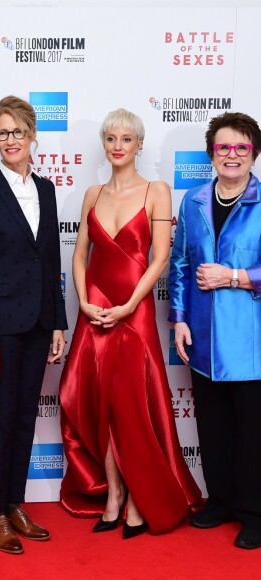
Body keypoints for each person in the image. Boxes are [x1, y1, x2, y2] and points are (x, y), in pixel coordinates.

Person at [59, 108, 202, 539]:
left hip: (133, 313)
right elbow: (80, 256)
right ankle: (114, 495)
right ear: (104, 144)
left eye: (126, 138)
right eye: (111, 138)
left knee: (133, 407)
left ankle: (141, 500)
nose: (118, 146)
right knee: (101, 404)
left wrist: (128, 305)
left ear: (139, 144)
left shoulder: (157, 190)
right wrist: (84, 303)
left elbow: (159, 259)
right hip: (95, 312)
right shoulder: (91, 193)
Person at [0, 96, 67, 555]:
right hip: (0, 329)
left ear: (32, 136)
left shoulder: (45, 189)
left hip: (39, 324)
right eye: (2, 133)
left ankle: (15, 502)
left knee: (25, 418)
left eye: (17, 132)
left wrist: (59, 323)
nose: (10, 140)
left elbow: (51, 263)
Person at [169, 112, 261, 550]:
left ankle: (255, 513)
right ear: (211, 153)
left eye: (241, 147)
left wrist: (237, 276)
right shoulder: (193, 200)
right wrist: (180, 319)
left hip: (251, 339)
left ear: (253, 153)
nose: (232, 155)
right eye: (223, 147)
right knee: (213, 425)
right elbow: (181, 264)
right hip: (203, 336)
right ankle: (220, 500)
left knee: (252, 430)